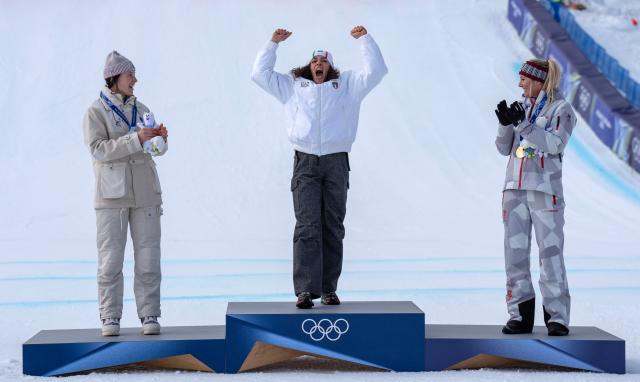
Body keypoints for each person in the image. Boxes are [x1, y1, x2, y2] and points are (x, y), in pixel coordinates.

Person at [251, 26, 388, 309]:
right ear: (308, 65)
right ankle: (305, 290)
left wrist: (365, 39)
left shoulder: (348, 86)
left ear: (330, 66)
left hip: (337, 162)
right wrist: (272, 44)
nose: (318, 64)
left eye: (323, 61)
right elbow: (259, 75)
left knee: (332, 226)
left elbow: (377, 71)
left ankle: (328, 289)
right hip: (305, 162)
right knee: (307, 225)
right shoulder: (292, 85)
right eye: (315, 61)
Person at [83, 51, 168, 336]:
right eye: (130, 75)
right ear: (115, 78)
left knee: (149, 259)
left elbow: (153, 150)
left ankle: (149, 314)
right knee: (110, 260)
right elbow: (98, 150)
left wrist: (158, 140)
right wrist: (136, 139)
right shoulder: (95, 111)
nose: (135, 80)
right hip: (111, 197)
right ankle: (110, 317)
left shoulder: (141, 108)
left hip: (146, 193)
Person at [494, 58, 576, 336]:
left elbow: (555, 144)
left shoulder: (561, 109)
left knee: (550, 255)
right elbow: (503, 148)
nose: (519, 84)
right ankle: (519, 314)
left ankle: (557, 317)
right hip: (514, 190)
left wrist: (524, 125)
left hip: (544, 191)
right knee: (514, 254)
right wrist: (507, 124)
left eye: (524, 80)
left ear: (540, 81)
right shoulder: (522, 107)